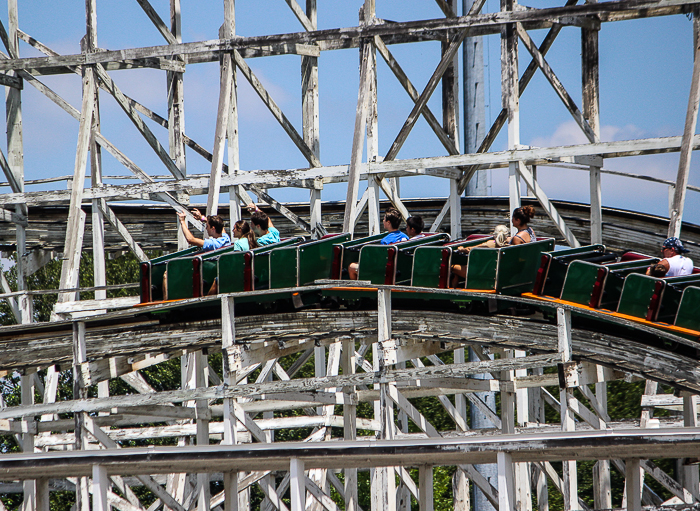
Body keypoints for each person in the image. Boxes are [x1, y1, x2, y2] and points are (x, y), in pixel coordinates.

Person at [348, 208, 409, 279]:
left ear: (388, 222)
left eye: (384, 219)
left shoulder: (385, 241)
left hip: (383, 271)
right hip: (400, 270)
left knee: (351, 266)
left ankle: (358, 289)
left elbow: (380, 261)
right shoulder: (406, 237)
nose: (383, 221)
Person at [207, 221, 258, 295]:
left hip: (241, 274)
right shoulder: (250, 241)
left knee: (217, 280)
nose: (232, 231)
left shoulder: (238, 243)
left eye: (234, 229)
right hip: (251, 272)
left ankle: (208, 300)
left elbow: (236, 261)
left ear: (239, 230)